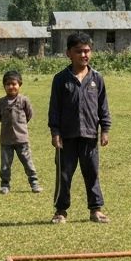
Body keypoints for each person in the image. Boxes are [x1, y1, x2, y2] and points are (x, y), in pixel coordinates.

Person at [48, 32, 111, 224]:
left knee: (91, 173)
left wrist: (105, 129)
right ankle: (61, 211)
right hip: (66, 137)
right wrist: (55, 132)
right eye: (79, 51)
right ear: (69, 53)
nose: (84, 55)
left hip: (90, 135)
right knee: (64, 174)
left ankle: (96, 210)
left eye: (87, 51)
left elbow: (103, 106)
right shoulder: (60, 79)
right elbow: (54, 108)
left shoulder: (97, 79)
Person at [0, 69, 41, 194]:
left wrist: (20, 126)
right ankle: (5, 185)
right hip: (6, 140)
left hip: (22, 140)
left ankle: (34, 183)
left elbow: (29, 115)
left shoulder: (24, 100)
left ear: (19, 84)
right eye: (8, 84)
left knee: (28, 162)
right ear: (4, 86)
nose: (11, 87)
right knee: (5, 165)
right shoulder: (0, 103)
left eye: (14, 84)